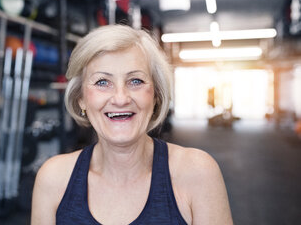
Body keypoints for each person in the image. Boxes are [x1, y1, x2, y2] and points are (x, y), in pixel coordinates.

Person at [31, 24, 233, 225]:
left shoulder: (198, 173)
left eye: (135, 81)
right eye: (102, 82)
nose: (120, 98)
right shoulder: (53, 178)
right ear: (81, 98)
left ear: (155, 95)